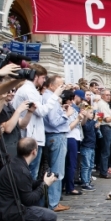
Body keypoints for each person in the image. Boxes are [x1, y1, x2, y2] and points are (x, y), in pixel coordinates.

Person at [0, 138, 58, 221]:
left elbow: (27, 184)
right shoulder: (21, 170)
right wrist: (45, 185)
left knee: (40, 220)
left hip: (3, 209)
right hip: (7, 212)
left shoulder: (16, 163)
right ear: (34, 152)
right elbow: (29, 199)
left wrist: (41, 181)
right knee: (51, 217)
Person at [13, 64, 64, 179]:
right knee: (31, 173)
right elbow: (41, 111)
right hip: (30, 136)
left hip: (33, 134)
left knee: (32, 172)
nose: (44, 80)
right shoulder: (28, 90)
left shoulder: (31, 90)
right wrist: (55, 96)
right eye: (43, 77)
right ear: (36, 76)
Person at [41, 76, 71, 212]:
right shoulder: (50, 98)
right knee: (57, 171)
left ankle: (50, 200)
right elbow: (53, 121)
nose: (63, 87)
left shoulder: (48, 97)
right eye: (61, 85)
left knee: (51, 170)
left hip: (52, 136)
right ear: (52, 86)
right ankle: (53, 202)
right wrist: (66, 114)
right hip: (56, 135)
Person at [63, 90, 84, 196]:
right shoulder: (66, 110)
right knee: (71, 163)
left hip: (76, 137)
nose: (71, 102)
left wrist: (81, 117)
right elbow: (68, 127)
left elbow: (80, 123)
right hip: (69, 137)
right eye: (70, 100)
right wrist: (78, 119)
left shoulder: (72, 109)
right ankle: (69, 187)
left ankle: (67, 185)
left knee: (71, 163)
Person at [96, 89, 111, 178]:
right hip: (106, 127)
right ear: (102, 95)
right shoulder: (102, 104)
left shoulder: (105, 104)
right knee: (105, 151)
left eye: (109, 95)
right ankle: (103, 172)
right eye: (106, 95)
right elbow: (107, 119)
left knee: (106, 150)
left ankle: (103, 169)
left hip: (108, 127)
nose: (108, 96)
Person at [79, 106, 98, 192]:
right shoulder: (85, 122)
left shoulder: (91, 121)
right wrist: (94, 120)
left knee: (90, 165)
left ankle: (88, 180)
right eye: (91, 113)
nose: (93, 114)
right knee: (86, 165)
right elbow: (87, 128)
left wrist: (97, 125)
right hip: (86, 146)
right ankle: (84, 182)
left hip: (92, 146)